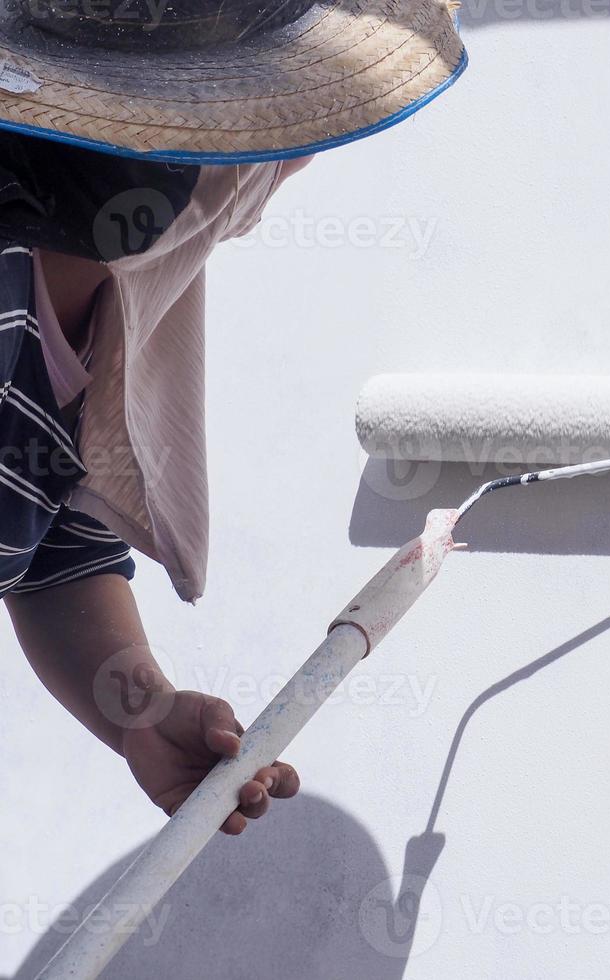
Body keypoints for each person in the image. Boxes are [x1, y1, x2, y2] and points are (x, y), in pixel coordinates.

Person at [0, 0, 466, 834]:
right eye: (259, 144)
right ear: (159, 176)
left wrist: (138, 708)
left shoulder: (103, 310)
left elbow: (46, 561)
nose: (291, 166)